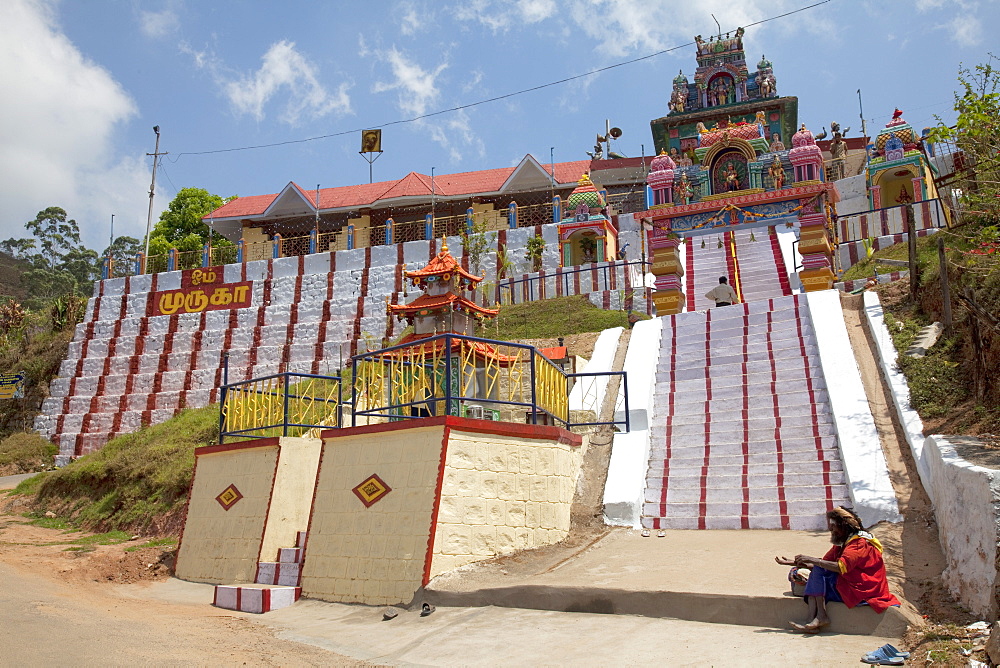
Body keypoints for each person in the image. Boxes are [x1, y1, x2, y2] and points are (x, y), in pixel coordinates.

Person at [775, 507, 901, 633]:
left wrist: (811, 560)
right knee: (808, 571)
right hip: (851, 582)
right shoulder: (844, 542)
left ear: (844, 526)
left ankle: (819, 616)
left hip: (863, 588)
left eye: (834, 525)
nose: (831, 529)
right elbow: (825, 563)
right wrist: (795, 563)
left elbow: (841, 567)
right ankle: (813, 619)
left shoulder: (859, 544)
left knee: (818, 571)